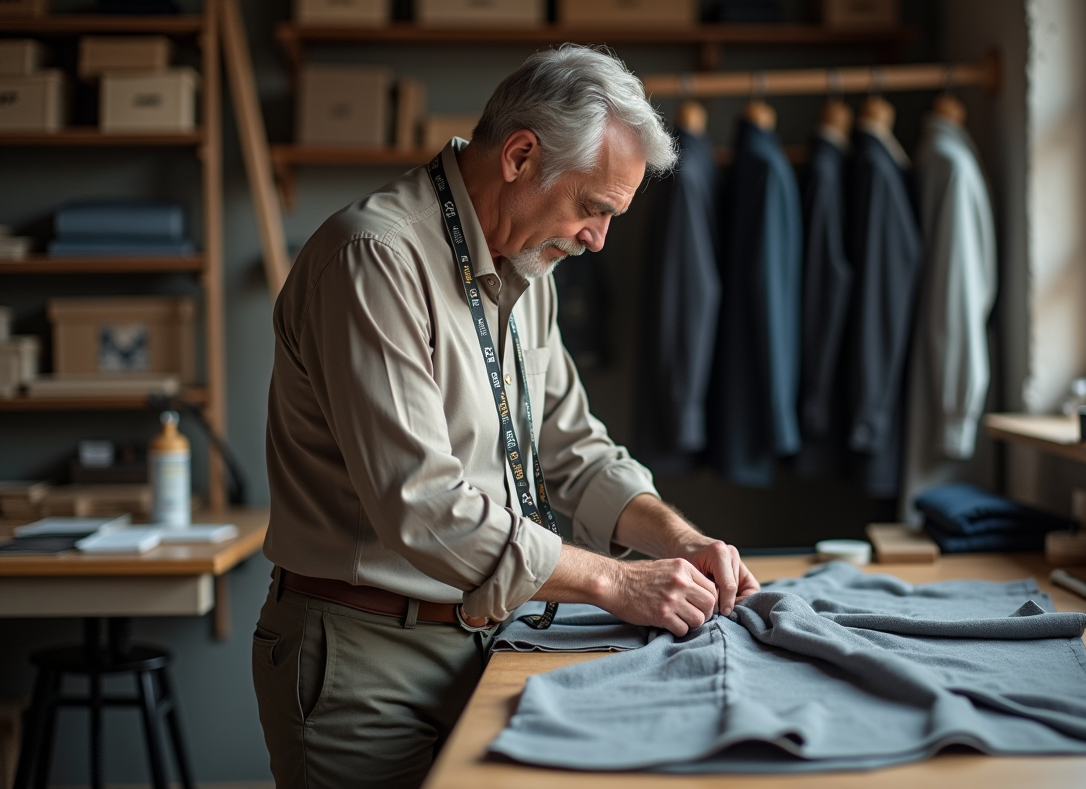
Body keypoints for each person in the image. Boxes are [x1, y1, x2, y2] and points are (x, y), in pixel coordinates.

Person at [252, 44, 760, 788]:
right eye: (594, 208)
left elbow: (574, 449)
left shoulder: (528, 264)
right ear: (521, 156)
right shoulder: (373, 259)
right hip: (363, 661)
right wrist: (621, 585)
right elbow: (424, 508)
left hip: (493, 637)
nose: (598, 239)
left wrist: (679, 540)